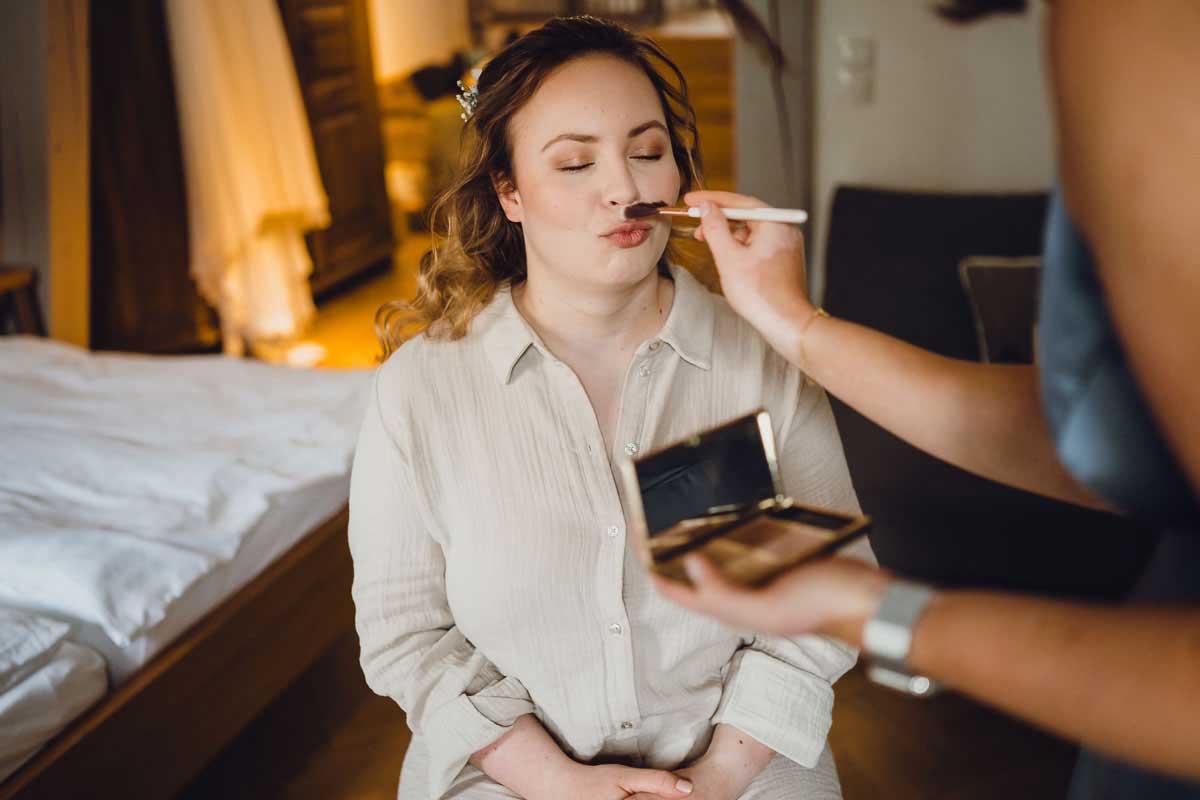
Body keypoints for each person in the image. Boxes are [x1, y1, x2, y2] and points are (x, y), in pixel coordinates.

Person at [653, 1, 1200, 798]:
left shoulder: (1134, 25)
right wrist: (797, 324)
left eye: (647, 150)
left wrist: (885, 612)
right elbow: (1125, 438)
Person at [349, 16, 872, 800]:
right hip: (508, 780)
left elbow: (826, 597)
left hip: (745, 767)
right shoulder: (418, 392)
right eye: (574, 162)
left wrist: (718, 775)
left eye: (647, 151)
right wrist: (555, 782)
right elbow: (406, 636)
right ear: (509, 192)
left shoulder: (762, 363)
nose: (625, 188)